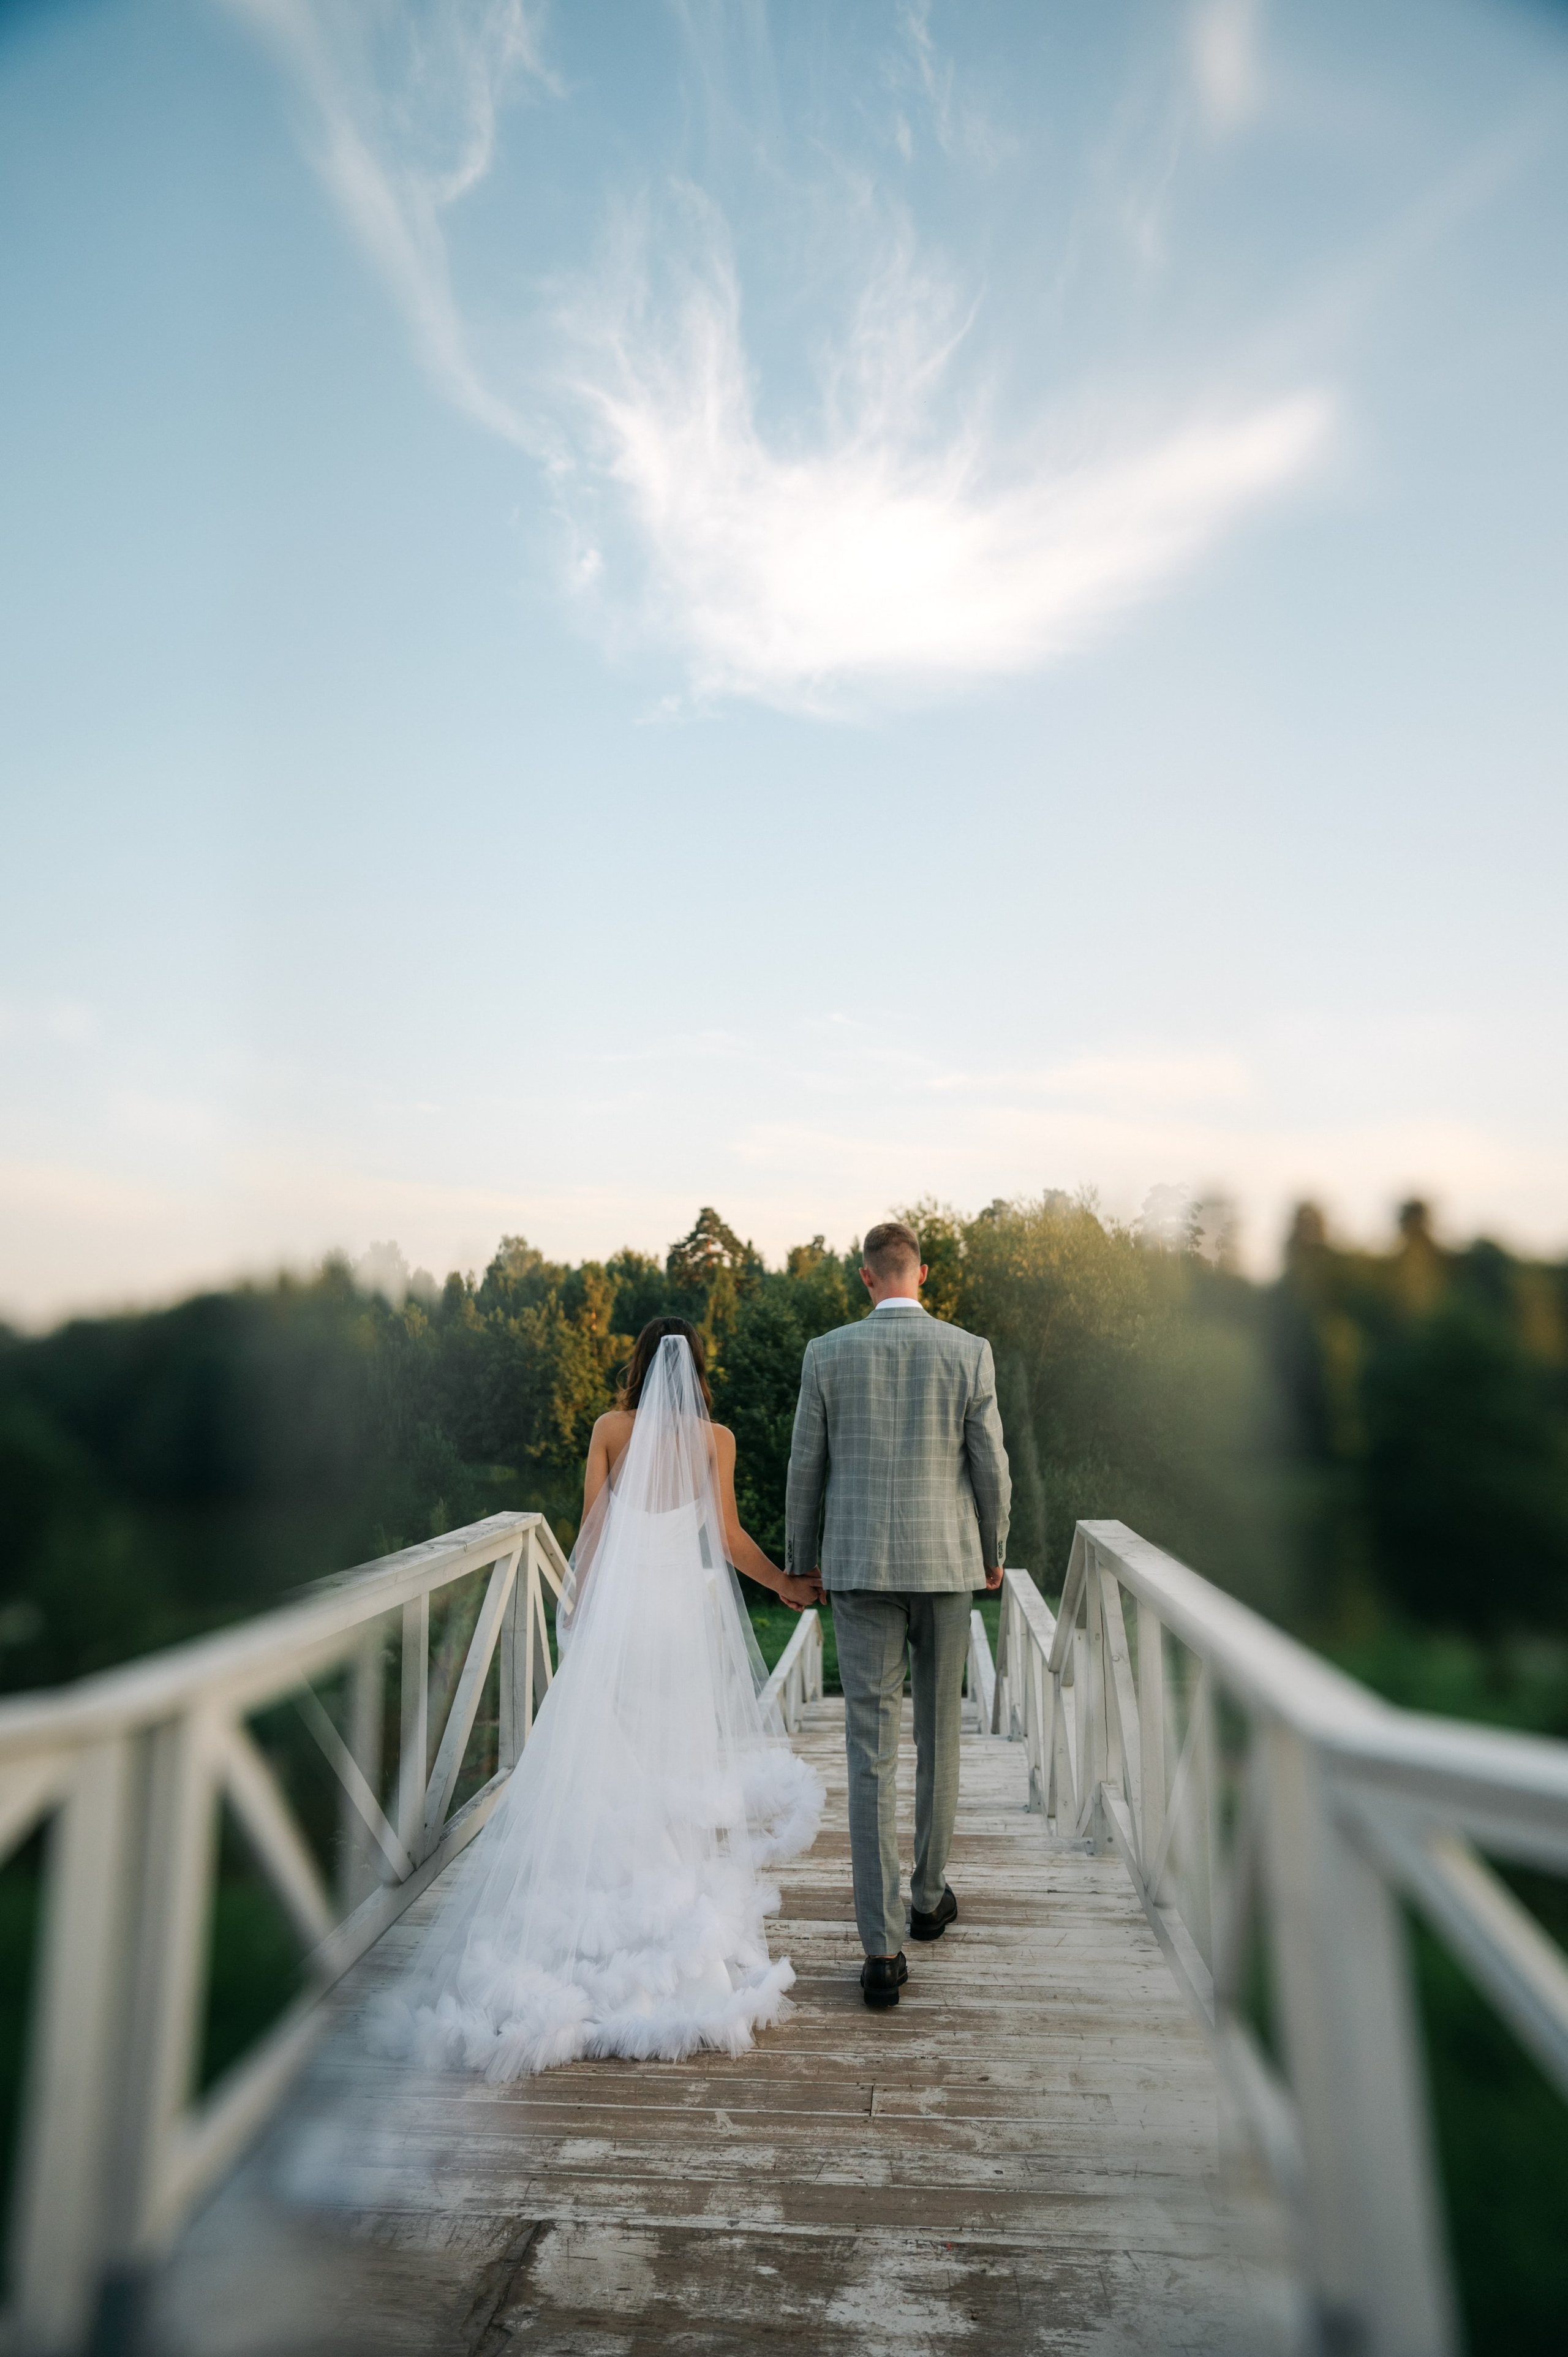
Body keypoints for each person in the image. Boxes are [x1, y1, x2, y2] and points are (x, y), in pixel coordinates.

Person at [373, 1319, 823, 2079]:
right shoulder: (717, 1438)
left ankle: (604, 1906)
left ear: (638, 1365)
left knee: (609, 1762)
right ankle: (672, 1914)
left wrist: (577, 1605)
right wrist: (782, 1581)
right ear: (696, 1370)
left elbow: (592, 1529)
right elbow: (730, 1538)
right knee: (675, 1763)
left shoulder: (610, 1428)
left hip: (624, 1618)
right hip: (679, 1622)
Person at [784, 1221, 1010, 2009]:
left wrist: (797, 1560)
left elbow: (805, 1465)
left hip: (855, 1567)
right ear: (924, 1273)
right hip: (946, 1564)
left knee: (869, 1751)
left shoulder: (826, 1353)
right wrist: (994, 1547)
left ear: (865, 1277)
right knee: (938, 1734)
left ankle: (880, 1950)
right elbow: (990, 1462)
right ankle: (927, 1898)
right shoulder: (967, 1349)